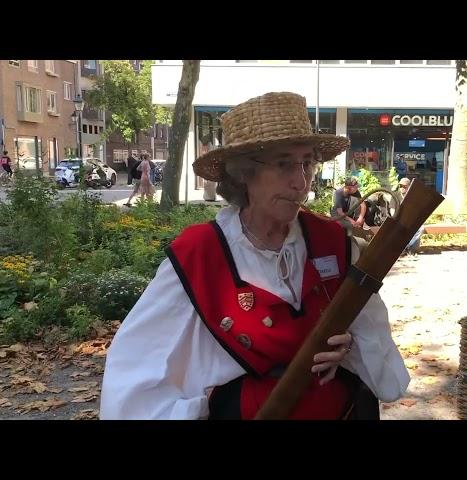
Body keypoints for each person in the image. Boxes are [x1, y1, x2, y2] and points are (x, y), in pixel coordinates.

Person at [100, 91, 410, 419]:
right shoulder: (199, 255)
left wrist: (348, 349)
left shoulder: (332, 241)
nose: (301, 182)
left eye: (307, 162)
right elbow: (136, 376)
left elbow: (382, 368)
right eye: (284, 164)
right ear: (243, 173)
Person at [397, 177, 421, 255]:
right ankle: (405, 248)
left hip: (410, 220)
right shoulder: (396, 195)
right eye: (400, 186)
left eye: (404, 186)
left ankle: (405, 246)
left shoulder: (412, 197)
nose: (402, 188)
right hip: (399, 220)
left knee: (421, 228)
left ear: (409, 187)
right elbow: (392, 211)